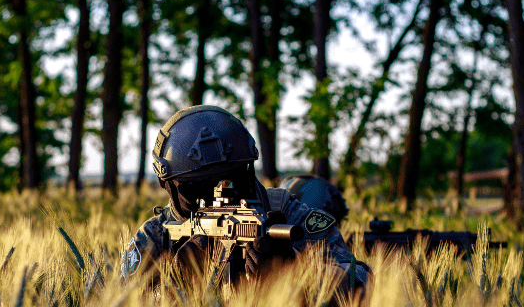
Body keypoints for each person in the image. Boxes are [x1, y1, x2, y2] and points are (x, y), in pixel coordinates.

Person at [120, 105, 369, 293]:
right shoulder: (156, 236)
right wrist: (177, 287)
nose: (216, 196)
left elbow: (363, 282)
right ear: (167, 185)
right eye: (196, 188)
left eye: (231, 180)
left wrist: (296, 272)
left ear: (248, 170)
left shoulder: (285, 215)